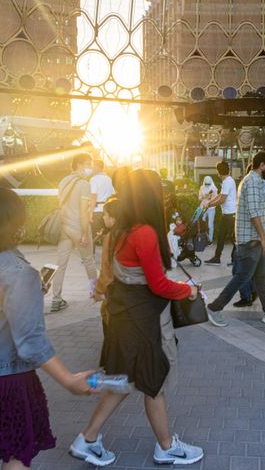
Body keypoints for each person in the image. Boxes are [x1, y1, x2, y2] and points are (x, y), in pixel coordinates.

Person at [0, 187, 95, 469]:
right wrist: (69, 380)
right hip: (5, 379)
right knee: (16, 454)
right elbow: (31, 341)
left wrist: (31, 291)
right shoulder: (17, 271)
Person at [70, 169, 204, 467]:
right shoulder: (144, 232)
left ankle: (87, 439)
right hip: (144, 321)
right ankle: (166, 447)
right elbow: (158, 284)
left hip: (124, 318)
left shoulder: (121, 230)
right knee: (151, 381)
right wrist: (188, 289)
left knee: (125, 382)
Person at [206, 152, 265, 327]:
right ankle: (214, 308)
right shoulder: (252, 183)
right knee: (242, 277)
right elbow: (253, 214)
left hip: (255, 240)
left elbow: (257, 212)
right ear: (261, 165)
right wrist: (264, 240)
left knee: (260, 277)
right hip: (251, 241)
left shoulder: (257, 182)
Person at [52, 153, 98, 311]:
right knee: (89, 261)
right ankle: (96, 293)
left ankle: (56, 299)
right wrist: (85, 233)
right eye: (88, 163)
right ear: (79, 164)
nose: (89, 167)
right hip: (78, 228)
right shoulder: (84, 184)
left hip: (64, 227)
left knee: (60, 265)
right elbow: (84, 212)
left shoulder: (63, 181)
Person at [204, 161, 237, 266]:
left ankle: (235, 259)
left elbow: (222, 199)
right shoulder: (227, 180)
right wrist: (210, 202)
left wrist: (210, 205)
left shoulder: (227, 181)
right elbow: (220, 195)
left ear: (218, 172)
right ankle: (217, 258)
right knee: (221, 236)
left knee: (234, 239)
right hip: (227, 214)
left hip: (230, 215)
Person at [89, 159, 114, 245]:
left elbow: (93, 196)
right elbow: (113, 195)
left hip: (97, 210)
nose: (92, 168)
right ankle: (106, 257)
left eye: (93, 166)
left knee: (93, 236)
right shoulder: (109, 179)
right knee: (106, 236)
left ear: (97, 167)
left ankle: (91, 257)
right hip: (107, 210)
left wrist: (90, 212)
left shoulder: (94, 179)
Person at [198, 175, 218, 244]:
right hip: (203, 207)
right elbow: (199, 197)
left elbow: (217, 198)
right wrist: (204, 197)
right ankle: (203, 238)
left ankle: (210, 240)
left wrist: (210, 199)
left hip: (211, 208)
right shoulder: (201, 188)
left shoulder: (214, 188)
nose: (207, 185)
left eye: (208, 184)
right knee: (202, 223)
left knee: (210, 225)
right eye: (206, 184)